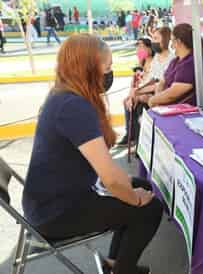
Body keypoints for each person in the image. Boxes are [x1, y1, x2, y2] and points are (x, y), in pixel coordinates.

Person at [22, 34, 163, 274]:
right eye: (107, 67)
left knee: (139, 186)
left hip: (51, 200)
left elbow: (105, 169)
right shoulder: (73, 106)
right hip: (56, 212)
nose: (110, 73)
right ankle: (123, 270)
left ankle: (116, 264)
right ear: (87, 68)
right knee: (149, 209)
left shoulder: (65, 95)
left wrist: (130, 191)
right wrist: (134, 198)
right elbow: (109, 177)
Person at [118, 27, 174, 146]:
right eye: (152, 38)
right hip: (151, 91)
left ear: (165, 40)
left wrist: (138, 93)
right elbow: (151, 81)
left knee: (138, 101)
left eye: (156, 38)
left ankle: (139, 141)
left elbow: (159, 84)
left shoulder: (171, 59)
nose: (153, 41)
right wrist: (136, 91)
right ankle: (133, 137)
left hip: (163, 94)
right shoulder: (156, 59)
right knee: (132, 100)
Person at [148, 23, 203, 108]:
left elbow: (172, 95)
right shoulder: (175, 61)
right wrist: (157, 100)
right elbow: (162, 82)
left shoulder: (191, 64)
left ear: (178, 42)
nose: (171, 45)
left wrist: (153, 100)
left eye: (172, 41)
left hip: (181, 112)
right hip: (167, 107)